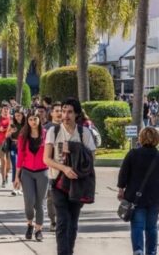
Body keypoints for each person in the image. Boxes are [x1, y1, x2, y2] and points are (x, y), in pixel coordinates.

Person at [43, 98, 96, 255]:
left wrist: (75, 150)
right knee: (62, 221)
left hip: (77, 185)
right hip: (57, 182)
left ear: (77, 114)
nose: (65, 115)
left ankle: (69, 252)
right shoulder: (54, 131)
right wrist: (64, 168)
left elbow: (92, 159)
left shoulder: (84, 133)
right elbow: (46, 159)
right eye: (63, 111)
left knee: (73, 223)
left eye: (70, 112)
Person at [117, 127, 159, 255]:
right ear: (157, 140)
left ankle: (138, 251)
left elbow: (123, 175)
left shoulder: (132, 154)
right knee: (152, 227)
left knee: (137, 226)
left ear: (141, 138)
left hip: (136, 198)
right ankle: (151, 252)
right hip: (156, 199)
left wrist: (121, 190)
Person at [14, 111, 48, 242]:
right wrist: (17, 177)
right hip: (27, 172)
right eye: (30, 119)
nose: (33, 121)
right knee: (29, 202)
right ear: (27, 121)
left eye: (35, 119)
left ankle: (38, 230)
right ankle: (29, 224)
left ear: (39, 119)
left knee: (40, 203)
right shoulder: (23, 136)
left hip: (43, 172)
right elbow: (20, 158)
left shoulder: (46, 135)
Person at [43, 101, 62, 232]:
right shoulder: (47, 128)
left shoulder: (69, 127)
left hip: (66, 168)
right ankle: (53, 220)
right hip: (50, 169)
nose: (59, 113)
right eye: (57, 111)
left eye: (61, 110)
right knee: (51, 196)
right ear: (51, 113)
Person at [6, 107, 25, 196]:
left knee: (22, 167)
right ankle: (14, 187)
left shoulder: (26, 124)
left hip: (23, 147)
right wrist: (11, 132)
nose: (17, 117)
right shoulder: (12, 124)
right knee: (15, 165)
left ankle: (19, 187)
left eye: (19, 115)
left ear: (23, 115)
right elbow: (6, 135)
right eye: (16, 116)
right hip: (14, 146)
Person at [0, 102, 12, 188]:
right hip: (0, 142)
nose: (6, 111)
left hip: (9, 142)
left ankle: (6, 174)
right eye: (4, 109)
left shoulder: (11, 118)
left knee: (9, 165)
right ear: (1, 109)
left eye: (7, 109)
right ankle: (3, 180)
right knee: (3, 161)